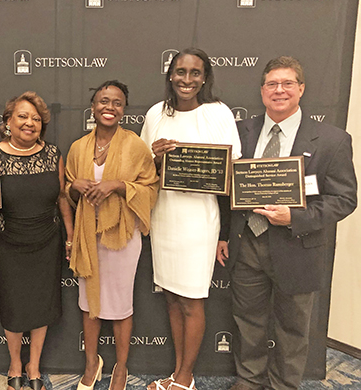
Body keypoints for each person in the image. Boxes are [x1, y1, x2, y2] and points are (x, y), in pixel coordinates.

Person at [217, 56, 357, 390]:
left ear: (301, 88)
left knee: (292, 329)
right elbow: (225, 190)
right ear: (262, 91)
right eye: (272, 84)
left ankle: (283, 386)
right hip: (246, 243)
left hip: (298, 247)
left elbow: (344, 200)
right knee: (247, 322)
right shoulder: (240, 132)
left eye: (287, 83)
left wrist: (294, 217)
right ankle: (249, 380)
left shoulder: (332, 140)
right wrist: (223, 236)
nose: (279, 90)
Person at [140, 48, 241, 390]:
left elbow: (231, 175)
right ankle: (176, 372)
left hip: (200, 220)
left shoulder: (218, 113)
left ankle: (184, 378)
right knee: (170, 295)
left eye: (195, 73)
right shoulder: (156, 113)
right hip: (164, 216)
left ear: (204, 78)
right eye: (180, 72)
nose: (187, 80)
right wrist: (154, 156)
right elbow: (141, 170)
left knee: (192, 297)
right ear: (170, 75)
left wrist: (225, 233)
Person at [66, 80, 159, 390]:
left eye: (117, 103)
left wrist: (118, 185)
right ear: (92, 107)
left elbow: (150, 188)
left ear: (123, 110)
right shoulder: (79, 147)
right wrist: (73, 187)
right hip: (86, 236)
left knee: (120, 303)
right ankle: (92, 361)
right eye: (103, 101)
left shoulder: (135, 145)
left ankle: (121, 366)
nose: (109, 107)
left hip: (122, 235)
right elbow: (67, 192)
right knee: (87, 302)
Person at [0, 91, 74, 390]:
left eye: (36, 119)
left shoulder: (52, 154)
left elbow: (62, 196)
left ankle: (34, 365)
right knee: (13, 306)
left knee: (42, 305)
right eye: (23, 116)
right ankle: (14, 363)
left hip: (46, 240)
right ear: (8, 122)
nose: (30, 123)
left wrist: (70, 237)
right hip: (7, 243)